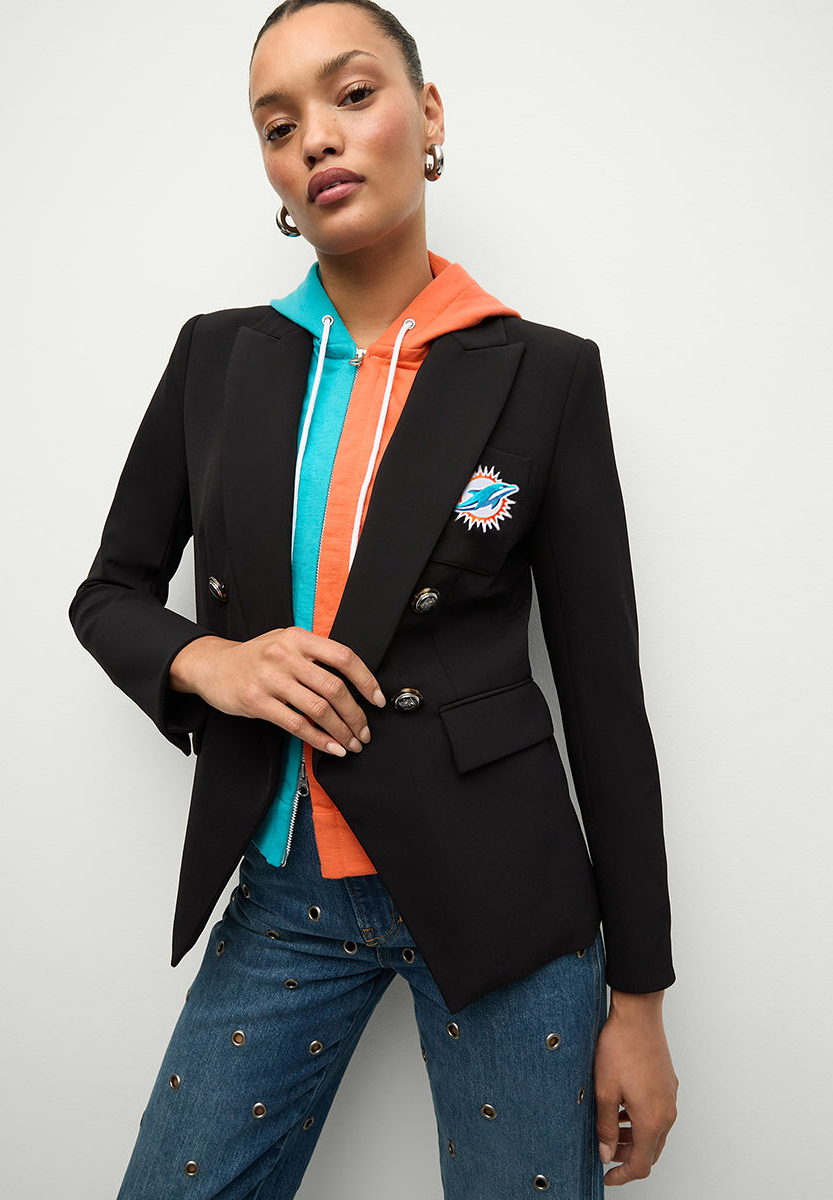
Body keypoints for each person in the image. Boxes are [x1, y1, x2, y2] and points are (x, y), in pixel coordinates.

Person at [68, 1, 679, 1195]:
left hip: (509, 902)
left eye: (352, 95)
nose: (316, 138)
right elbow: (110, 592)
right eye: (277, 123)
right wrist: (215, 663)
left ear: (427, 115)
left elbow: (604, 700)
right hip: (286, 894)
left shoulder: (542, 372)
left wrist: (640, 1000)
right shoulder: (216, 358)